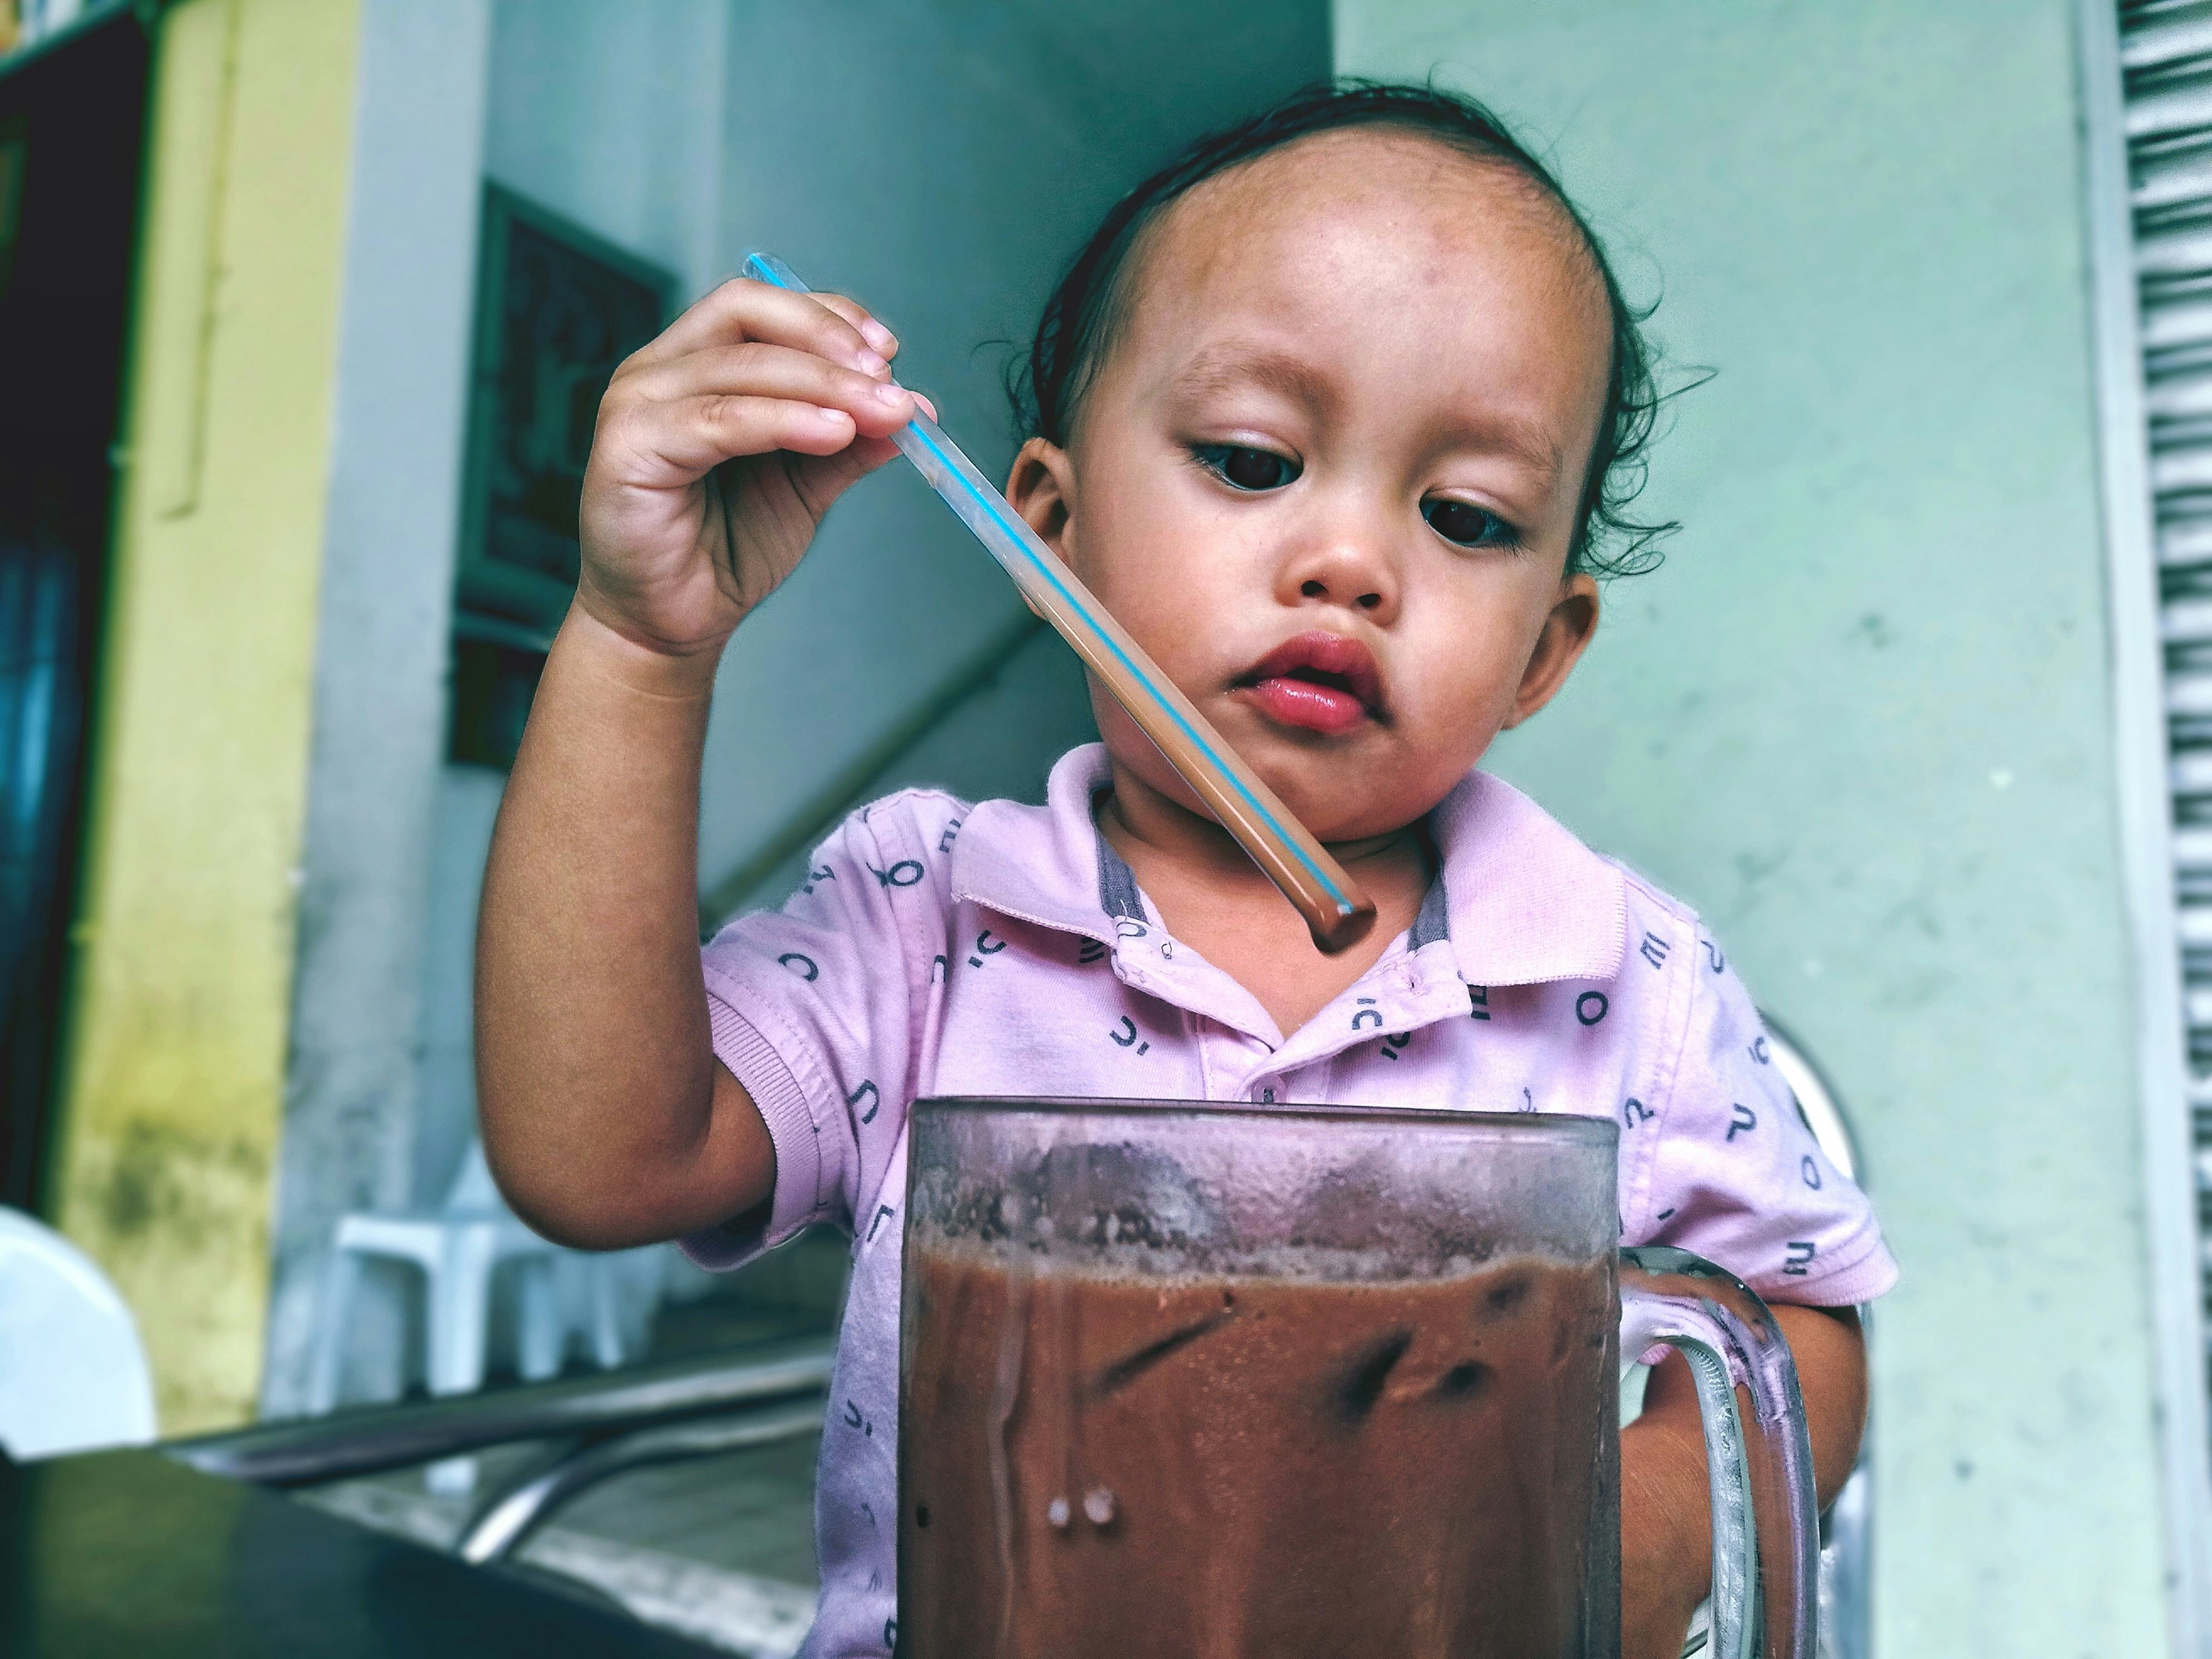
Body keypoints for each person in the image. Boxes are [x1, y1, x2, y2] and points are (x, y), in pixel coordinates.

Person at [476, 81, 1896, 1659]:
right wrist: (636, 642)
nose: (1351, 562)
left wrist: (1609, 1562)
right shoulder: (929, 915)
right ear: (1048, 532)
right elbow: (597, 1161)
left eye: (1467, 515)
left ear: (1546, 652)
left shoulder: (1626, 983)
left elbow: (1797, 1321)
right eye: (1247, 457)